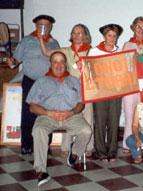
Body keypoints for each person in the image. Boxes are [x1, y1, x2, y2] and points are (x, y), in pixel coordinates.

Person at [26, 51, 92, 186]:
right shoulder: (41, 81)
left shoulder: (74, 80)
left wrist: (71, 112)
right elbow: (32, 107)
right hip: (47, 117)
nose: (59, 65)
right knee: (38, 130)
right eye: (55, 62)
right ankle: (41, 170)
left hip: (70, 116)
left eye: (62, 61)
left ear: (65, 64)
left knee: (86, 131)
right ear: (50, 64)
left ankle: (74, 153)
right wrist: (48, 113)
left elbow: (81, 104)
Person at [6, 15, 59, 155]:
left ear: (50, 27)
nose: (43, 28)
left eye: (46, 25)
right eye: (40, 25)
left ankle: (45, 145)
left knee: (47, 114)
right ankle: (27, 145)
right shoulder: (26, 40)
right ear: (35, 26)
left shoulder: (54, 43)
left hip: (48, 82)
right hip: (30, 81)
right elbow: (16, 60)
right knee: (28, 113)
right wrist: (12, 62)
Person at [39, 24, 94, 157]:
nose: (76, 36)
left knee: (88, 116)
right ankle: (65, 147)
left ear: (85, 35)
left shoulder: (91, 51)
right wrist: (41, 38)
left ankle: (88, 147)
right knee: (69, 115)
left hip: (87, 89)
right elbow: (46, 53)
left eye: (79, 33)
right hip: (70, 90)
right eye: (74, 33)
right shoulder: (66, 50)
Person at [88, 24, 123, 162]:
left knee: (114, 120)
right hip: (100, 91)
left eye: (114, 36)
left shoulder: (119, 52)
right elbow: (89, 71)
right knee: (100, 120)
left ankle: (112, 151)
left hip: (115, 91)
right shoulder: (94, 51)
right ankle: (101, 152)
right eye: (109, 35)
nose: (112, 38)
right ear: (104, 36)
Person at [122, 16, 143, 154]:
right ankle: (127, 143)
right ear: (133, 28)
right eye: (138, 27)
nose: (140, 30)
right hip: (130, 86)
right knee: (130, 114)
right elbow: (122, 66)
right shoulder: (127, 45)